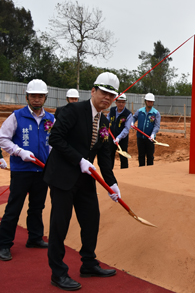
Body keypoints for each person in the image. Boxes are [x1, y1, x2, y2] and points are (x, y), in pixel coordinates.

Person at [43, 72, 122, 291]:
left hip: (85, 180)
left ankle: (88, 263)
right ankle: (58, 273)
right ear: (93, 91)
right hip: (62, 177)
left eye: (111, 95)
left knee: (91, 220)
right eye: (104, 93)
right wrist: (79, 160)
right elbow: (55, 138)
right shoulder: (72, 111)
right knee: (60, 224)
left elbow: (105, 156)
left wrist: (111, 183)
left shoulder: (105, 122)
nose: (107, 98)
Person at [0, 79, 54, 261]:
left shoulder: (50, 119)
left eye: (40, 96)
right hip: (22, 170)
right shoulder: (17, 116)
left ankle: (35, 237)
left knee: (37, 207)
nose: (37, 99)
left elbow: (53, 143)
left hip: (42, 171)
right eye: (33, 96)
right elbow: (3, 138)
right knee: (14, 207)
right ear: (27, 96)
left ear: (45, 98)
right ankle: (4, 244)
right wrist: (18, 151)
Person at [133, 93, 161, 167]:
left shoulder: (156, 113)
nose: (150, 103)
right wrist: (132, 122)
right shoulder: (140, 111)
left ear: (153, 102)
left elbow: (157, 126)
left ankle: (150, 172)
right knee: (141, 156)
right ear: (145, 101)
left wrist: (152, 134)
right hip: (140, 138)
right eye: (148, 101)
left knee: (150, 156)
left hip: (150, 139)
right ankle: (141, 171)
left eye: (151, 101)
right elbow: (134, 117)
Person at [109, 93, 133, 169]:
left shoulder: (128, 114)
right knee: (110, 155)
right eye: (119, 102)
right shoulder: (112, 110)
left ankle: (124, 173)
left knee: (123, 157)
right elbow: (107, 119)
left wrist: (119, 138)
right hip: (111, 137)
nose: (121, 104)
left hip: (122, 139)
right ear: (115, 102)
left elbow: (126, 128)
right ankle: (109, 171)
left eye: (123, 102)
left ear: (125, 103)